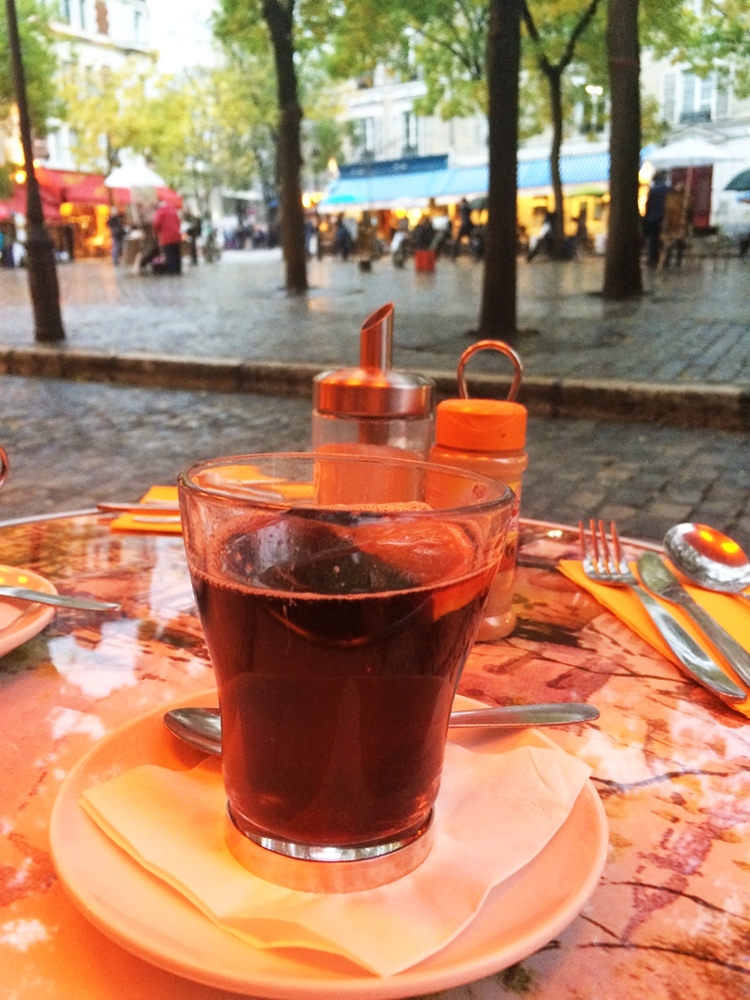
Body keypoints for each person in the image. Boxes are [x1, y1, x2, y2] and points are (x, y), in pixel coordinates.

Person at [642, 170, 670, 268]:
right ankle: (664, 259)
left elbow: (647, 204)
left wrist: (646, 216)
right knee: (665, 240)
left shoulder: (653, 190)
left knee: (653, 239)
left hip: (652, 218)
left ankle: (652, 259)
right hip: (665, 218)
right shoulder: (668, 189)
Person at [152, 199, 183, 274]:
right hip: (176, 234)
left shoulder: (160, 211)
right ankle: (177, 269)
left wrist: (155, 232)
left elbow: (156, 223)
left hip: (167, 236)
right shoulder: (173, 210)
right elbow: (178, 222)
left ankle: (171, 270)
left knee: (169, 253)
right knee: (176, 252)